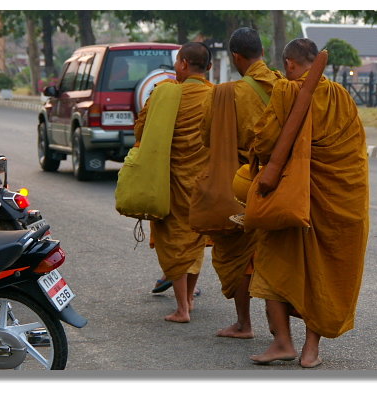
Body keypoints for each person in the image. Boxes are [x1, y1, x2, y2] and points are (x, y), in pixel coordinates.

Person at [247, 38, 369, 368]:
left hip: (291, 198)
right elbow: (356, 153)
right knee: (323, 273)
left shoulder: (287, 92)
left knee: (272, 266)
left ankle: (283, 342)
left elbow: (266, 140)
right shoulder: (342, 97)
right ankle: (310, 350)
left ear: (289, 64)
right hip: (338, 199)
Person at [199, 27, 283, 339]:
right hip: (281, 181)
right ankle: (279, 328)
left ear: (236, 56)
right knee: (275, 252)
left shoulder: (226, 93)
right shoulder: (283, 85)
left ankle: (243, 324)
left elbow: (206, 136)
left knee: (238, 255)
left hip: (242, 180)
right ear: (261, 51)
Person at [133, 42, 213, 323]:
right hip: (204, 180)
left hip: (173, 179)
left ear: (182, 64)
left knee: (174, 240)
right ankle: (188, 298)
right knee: (194, 239)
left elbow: (141, 129)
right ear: (210, 68)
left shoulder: (166, 94)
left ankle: (182, 308)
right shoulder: (215, 96)